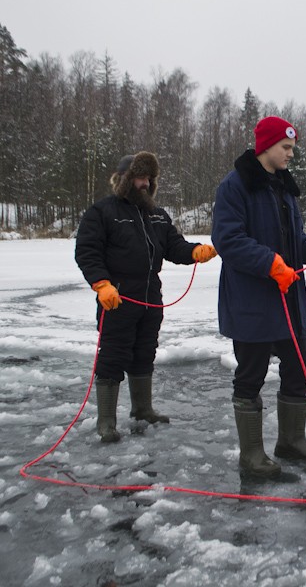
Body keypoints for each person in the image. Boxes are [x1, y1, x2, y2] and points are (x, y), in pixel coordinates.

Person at [212, 116, 306, 479]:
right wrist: (270, 263)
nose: (291, 154)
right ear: (266, 147)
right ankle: (252, 456)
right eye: (286, 148)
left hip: (289, 301)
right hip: (251, 302)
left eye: (292, 148)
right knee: (251, 373)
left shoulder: (285, 189)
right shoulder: (236, 186)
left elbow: (296, 242)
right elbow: (228, 240)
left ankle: (291, 441)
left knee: (298, 364)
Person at [75, 151, 217, 443]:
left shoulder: (157, 214)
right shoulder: (102, 212)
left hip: (151, 297)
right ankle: (106, 421)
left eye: (149, 179)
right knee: (113, 356)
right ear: (125, 180)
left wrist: (193, 251)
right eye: (140, 177)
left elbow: (173, 246)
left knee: (144, 353)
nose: (145, 183)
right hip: (117, 297)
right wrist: (102, 284)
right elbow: (87, 252)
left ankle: (142, 410)